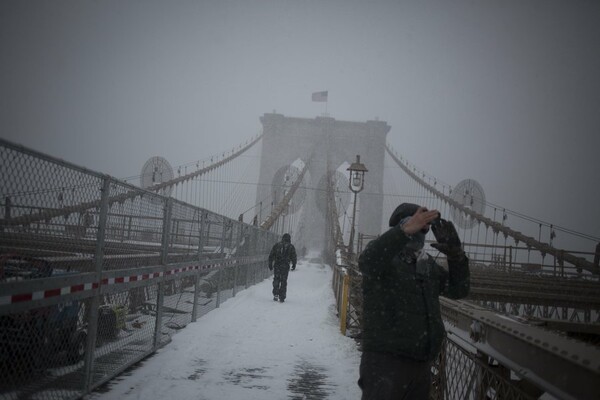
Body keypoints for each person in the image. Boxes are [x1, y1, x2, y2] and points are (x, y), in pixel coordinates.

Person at [357, 203, 470, 400]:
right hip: (385, 361)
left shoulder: (426, 265)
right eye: (417, 225)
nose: (421, 232)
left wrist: (456, 254)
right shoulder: (384, 258)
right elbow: (367, 261)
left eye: (425, 228)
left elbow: (459, 289)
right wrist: (403, 232)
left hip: (421, 364)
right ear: (402, 225)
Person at [268, 233, 297, 303]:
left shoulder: (277, 245)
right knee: (284, 281)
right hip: (285, 266)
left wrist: (270, 264)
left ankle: (275, 293)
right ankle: (282, 296)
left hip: (277, 265)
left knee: (276, 279)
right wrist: (294, 264)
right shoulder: (291, 246)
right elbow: (294, 256)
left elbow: (271, 255)